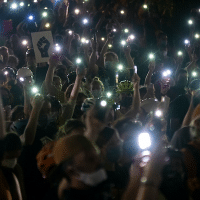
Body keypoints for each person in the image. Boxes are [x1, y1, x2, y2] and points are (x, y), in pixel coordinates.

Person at [44, 135, 112, 200]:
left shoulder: (98, 190)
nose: (99, 163)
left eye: (97, 157)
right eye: (90, 159)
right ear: (71, 171)